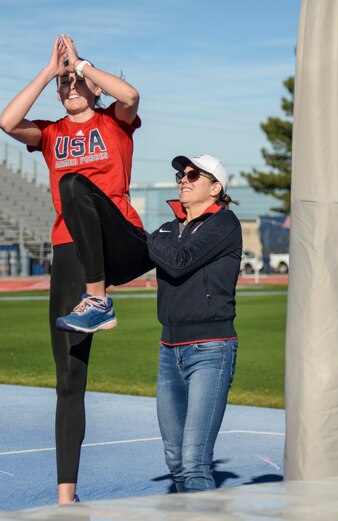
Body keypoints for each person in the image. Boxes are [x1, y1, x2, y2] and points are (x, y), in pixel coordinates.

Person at [0, 34, 151, 504]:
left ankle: (100, 297)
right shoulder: (51, 133)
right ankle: (67, 495)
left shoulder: (114, 121)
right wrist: (48, 72)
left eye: (75, 80)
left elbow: (131, 96)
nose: (68, 86)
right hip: (70, 255)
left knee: (75, 188)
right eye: (63, 83)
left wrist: (81, 64)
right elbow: (6, 122)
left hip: (120, 240)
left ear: (90, 83)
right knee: (68, 379)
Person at [145, 153, 242, 492]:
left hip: (210, 350)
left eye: (192, 175)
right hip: (169, 350)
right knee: (174, 458)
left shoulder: (224, 224)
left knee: (194, 461)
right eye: (181, 175)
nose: (183, 180)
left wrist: (147, 238)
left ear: (215, 188)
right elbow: (138, 254)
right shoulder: (168, 228)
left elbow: (179, 262)